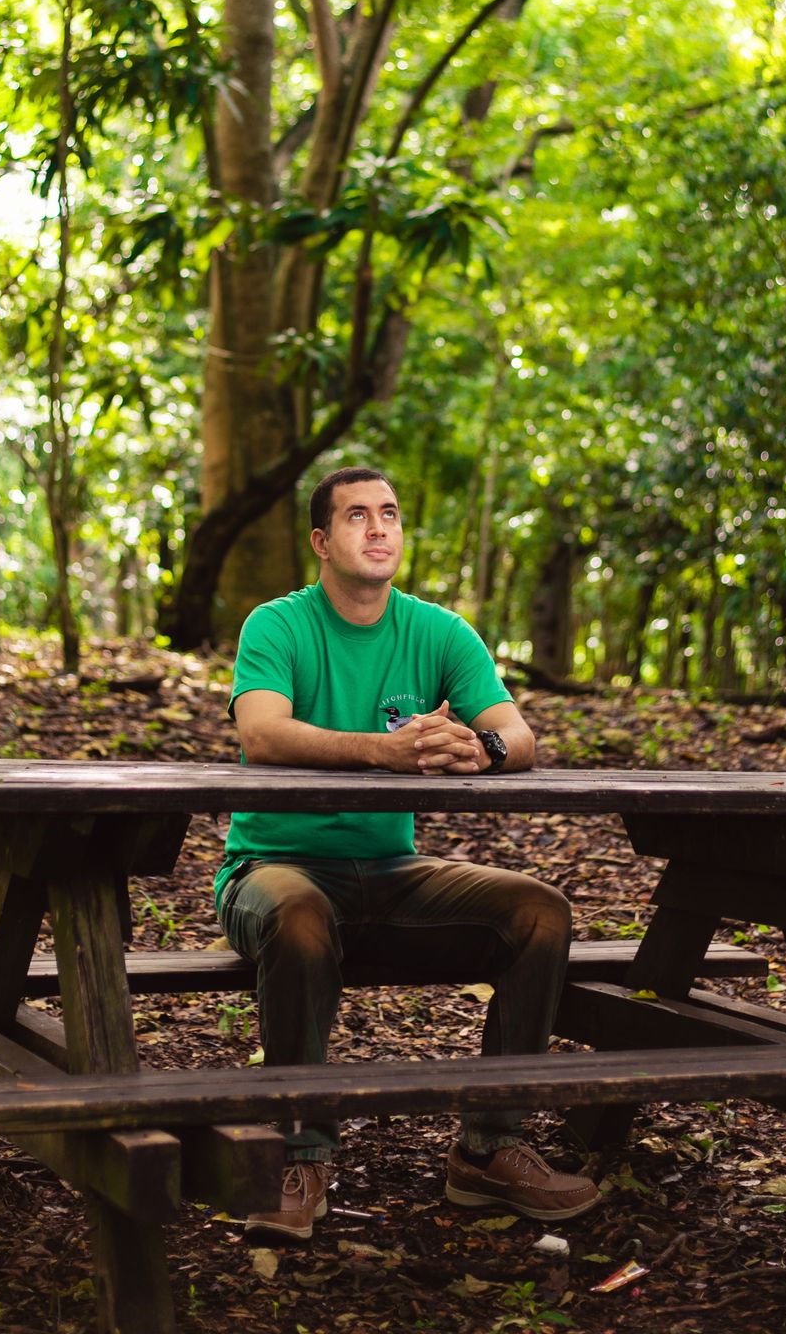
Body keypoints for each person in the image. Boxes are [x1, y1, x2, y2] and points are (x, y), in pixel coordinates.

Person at [214, 465, 600, 1242]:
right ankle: (300, 1157)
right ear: (322, 541)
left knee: (539, 913)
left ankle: (489, 1149)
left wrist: (481, 750)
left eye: (389, 513)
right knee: (298, 914)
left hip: (391, 873)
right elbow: (261, 733)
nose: (378, 528)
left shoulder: (439, 632)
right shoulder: (278, 625)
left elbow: (519, 735)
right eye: (357, 515)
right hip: (271, 868)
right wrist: (381, 752)